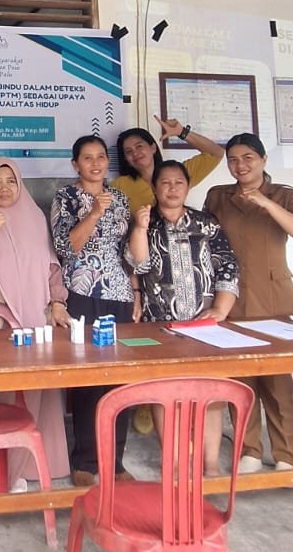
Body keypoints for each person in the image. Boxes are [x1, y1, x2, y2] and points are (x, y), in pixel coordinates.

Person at [0, 157, 70, 488]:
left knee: (33, 391)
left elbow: (51, 266)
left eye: (11, 182)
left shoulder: (34, 216)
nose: (4, 188)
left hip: (33, 317)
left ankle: (25, 468)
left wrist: (58, 302)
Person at [127, 161, 239, 474]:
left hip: (204, 325)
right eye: (165, 182)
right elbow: (137, 264)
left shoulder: (206, 223)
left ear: (188, 187)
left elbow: (228, 265)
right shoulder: (145, 221)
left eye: (179, 182)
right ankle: (174, 464)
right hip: (160, 325)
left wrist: (221, 309)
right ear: (154, 187)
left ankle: (210, 464)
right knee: (166, 393)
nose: (172, 188)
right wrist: (139, 228)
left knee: (211, 392)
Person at [51, 134, 140, 488]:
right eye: (87, 158)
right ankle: (85, 460)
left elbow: (128, 253)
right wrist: (94, 213)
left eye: (101, 156)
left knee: (120, 377)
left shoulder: (120, 198)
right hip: (81, 292)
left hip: (118, 292)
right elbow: (66, 247)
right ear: (76, 164)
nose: (95, 163)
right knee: (88, 379)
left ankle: (115, 462)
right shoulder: (66, 197)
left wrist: (135, 291)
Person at [205, 133, 293, 474]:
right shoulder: (218, 195)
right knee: (240, 378)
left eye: (248, 158)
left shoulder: (283, 194)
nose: (240, 165)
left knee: (278, 382)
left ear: (263, 160)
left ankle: (286, 454)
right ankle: (250, 451)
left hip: (273, 299)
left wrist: (266, 203)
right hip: (230, 299)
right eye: (233, 160)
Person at [114, 118, 225, 216]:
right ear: (126, 159)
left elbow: (216, 153)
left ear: (153, 148)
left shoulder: (178, 173)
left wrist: (182, 132)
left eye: (139, 146)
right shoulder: (120, 185)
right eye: (128, 151)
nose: (135, 153)